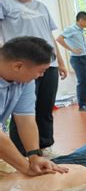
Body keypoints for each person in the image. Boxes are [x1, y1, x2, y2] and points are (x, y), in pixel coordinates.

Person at [1, 0, 68, 158]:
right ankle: (21, 151)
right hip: (22, 64)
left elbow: (49, 37)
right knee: (19, 109)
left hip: (48, 63)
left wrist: (60, 62)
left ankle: (43, 147)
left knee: (44, 107)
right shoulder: (3, 0)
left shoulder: (41, 7)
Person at [0, 37, 68, 176]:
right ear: (18, 66)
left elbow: (26, 119)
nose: (41, 76)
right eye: (41, 71)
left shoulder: (23, 80)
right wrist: (26, 168)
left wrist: (34, 156)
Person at [56, 11, 86, 112]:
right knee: (82, 81)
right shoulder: (71, 29)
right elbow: (59, 39)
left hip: (84, 57)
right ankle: (81, 105)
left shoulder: (81, 31)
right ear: (81, 20)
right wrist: (71, 49)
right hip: (77, 59)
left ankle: (85, 102)